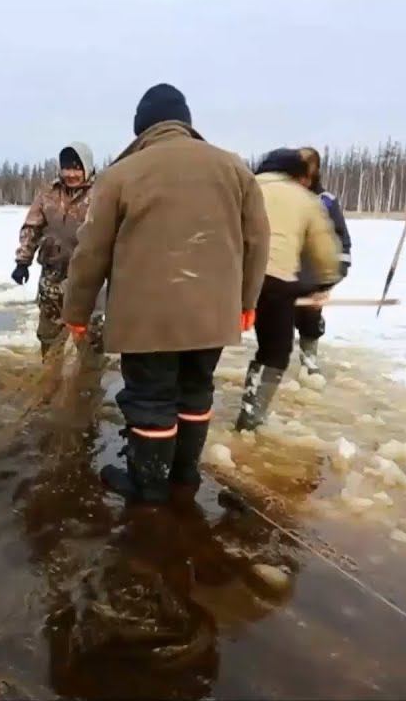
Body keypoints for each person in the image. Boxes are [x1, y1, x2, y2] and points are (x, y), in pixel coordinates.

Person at [61, 83, 270, 504]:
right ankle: (184, 477)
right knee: (196, 390)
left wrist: (77, 310)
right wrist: (247, 304)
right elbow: (258, 241)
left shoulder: (122, 174)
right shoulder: (235, 169)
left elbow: (91, 251)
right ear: (186, 123)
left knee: (151, 398)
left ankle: (148, 485)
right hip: (213, 314)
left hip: (147, 318)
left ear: (142, 128)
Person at [235, 149, 342, 432]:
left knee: (204, 345)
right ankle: (250, 416)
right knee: (274, 351)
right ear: (297, 175)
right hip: (275, 281)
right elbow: (324, 249)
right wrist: (325, 282)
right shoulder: (304, 198)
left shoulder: (243, 187)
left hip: (229, 276)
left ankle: (186, 409)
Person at [13, 142, 104, 358]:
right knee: (49, 335)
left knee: (92, 338)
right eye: (67, 168)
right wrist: (22, 262)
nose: (71, 174)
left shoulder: (102, 194)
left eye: (77, 168)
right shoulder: (48, 194)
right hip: (53, 276)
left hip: (88, 279)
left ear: (87, 167)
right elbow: (32, 227)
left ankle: (89, 385)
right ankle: (51, 381)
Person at [293, 146, 352, 375]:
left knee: (310, 320)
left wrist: (328, 283)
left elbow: (341, 244)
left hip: (311, 277)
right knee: (274, 322)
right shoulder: (280, 197)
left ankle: (309, 360)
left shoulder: (325, 202)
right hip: (280, 272)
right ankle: (269, 365)